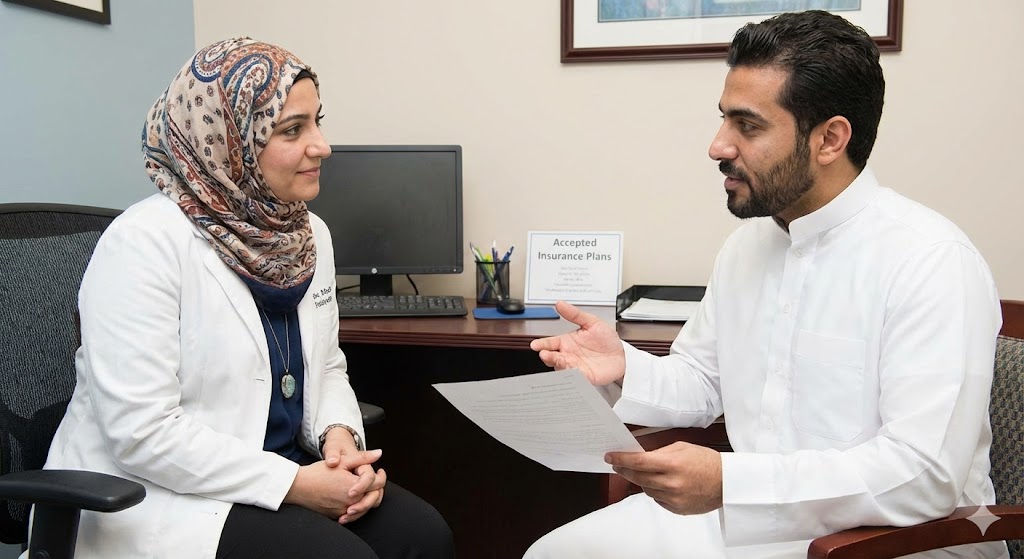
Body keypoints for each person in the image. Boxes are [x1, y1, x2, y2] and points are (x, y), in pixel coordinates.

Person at [524, 10, 1006, 559]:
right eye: (724, 119)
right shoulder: (749, 246)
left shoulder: (931, 261)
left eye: (747, 125)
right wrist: (625, 366)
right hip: (752, 519)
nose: (718, 146)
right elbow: (704, 382)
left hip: (897, 540)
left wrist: (732, 482)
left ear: (830, 139)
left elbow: (922, 476)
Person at [40, 37, 454, 559]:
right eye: (292, 130)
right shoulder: (142, 243)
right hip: (157, 495)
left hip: (283, 469)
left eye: (317, 122)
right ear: (229, 141)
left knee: (423, 535)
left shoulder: (307, 235)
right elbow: (142, 434)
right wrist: (296, 486)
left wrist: (339, 439)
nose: (322, 145)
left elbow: (325, 367)